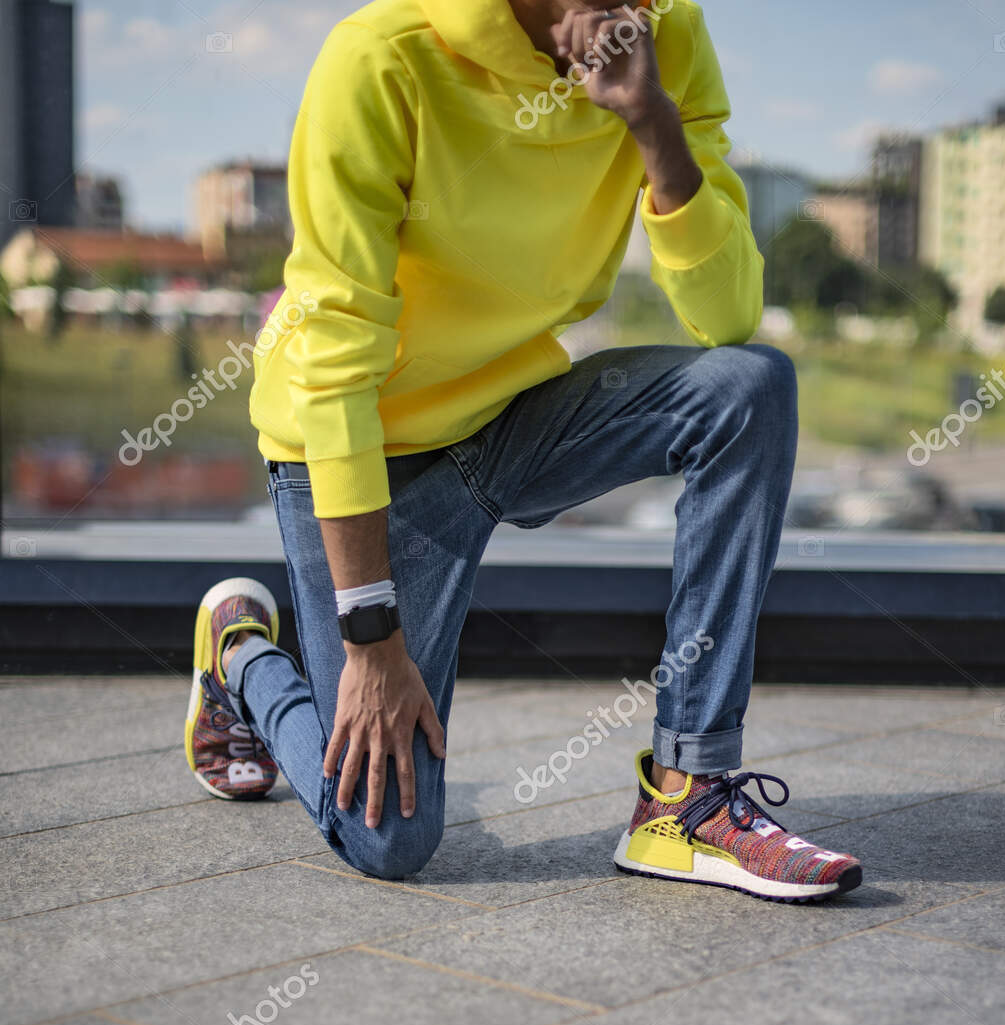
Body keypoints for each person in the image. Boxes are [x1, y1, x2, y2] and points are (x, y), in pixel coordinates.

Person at [185, 0, 862, 902]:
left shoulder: (664, 34)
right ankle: (241, 658)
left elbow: (729, 317)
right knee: (388, 839)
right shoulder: (380, 60)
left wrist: (651, 118)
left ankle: (687, 796)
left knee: (748, 389)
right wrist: (371, 643)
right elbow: (334, 361)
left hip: (507, 419)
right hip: (360, 448)